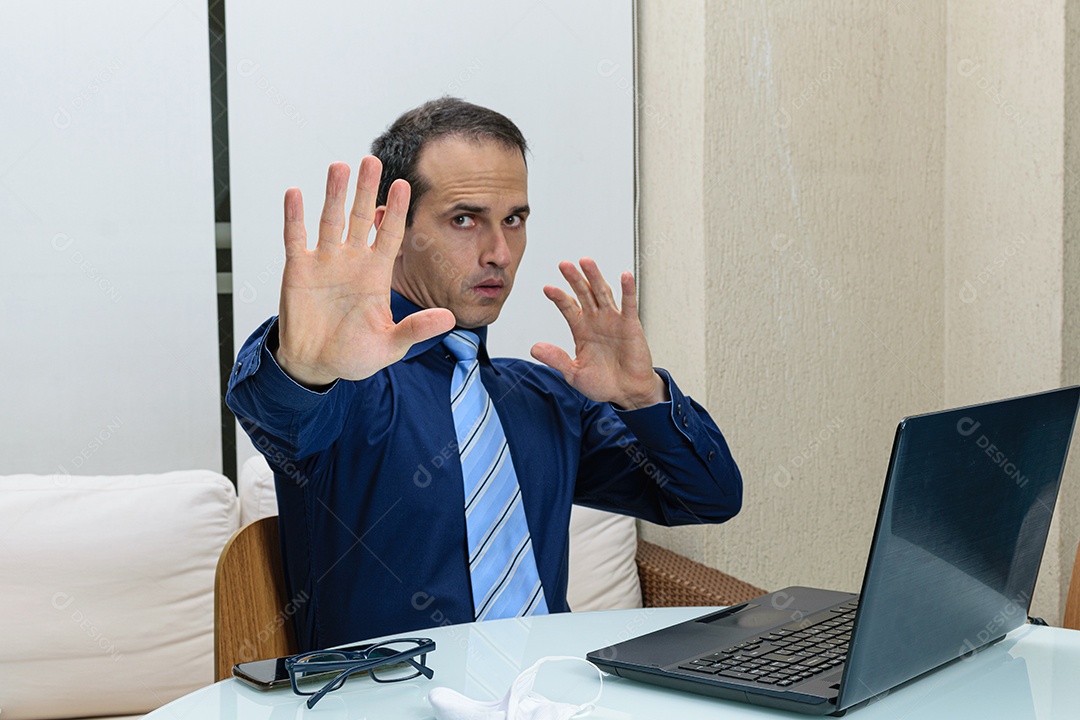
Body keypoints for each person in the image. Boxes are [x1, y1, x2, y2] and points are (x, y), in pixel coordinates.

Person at [227, 97, 742, 651]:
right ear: (394, 230)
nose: (499, 252)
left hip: (554, 697)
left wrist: (644, 398)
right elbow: (280, 413)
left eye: (514, 220)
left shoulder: (546, 397)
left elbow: (706, 499)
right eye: (465, 219)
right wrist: (303, 367)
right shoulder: (342, 384)